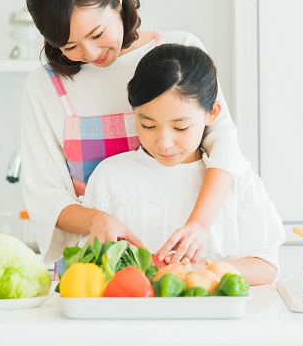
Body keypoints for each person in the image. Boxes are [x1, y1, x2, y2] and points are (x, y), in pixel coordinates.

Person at [21, 0, 250, 265]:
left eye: (97, 33)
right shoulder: (45, 86)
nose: (90, 53)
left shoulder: (177, 52)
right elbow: (45, 194)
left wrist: (199, 224)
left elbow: (223, 142)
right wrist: (95, 220)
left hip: (190, 259)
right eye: (70, 46)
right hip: (97, 267)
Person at [79, 44, 285, 285]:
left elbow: (267, 266)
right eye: (148, 125)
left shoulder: (236, 180)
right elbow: (89, 268)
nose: (164, 143)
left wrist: (197, 271)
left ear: (212, 113)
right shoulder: (111, 177)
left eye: (180, 127)